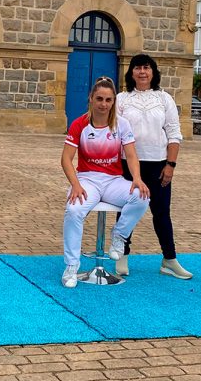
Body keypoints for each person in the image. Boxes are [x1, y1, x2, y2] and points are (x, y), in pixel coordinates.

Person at [61, 76, 150, 288]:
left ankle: (119, 235)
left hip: (113, 181)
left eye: (108, 100)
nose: (103, 104)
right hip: (87, 180)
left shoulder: (122, 124)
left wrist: (137, 178)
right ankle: (71, 266)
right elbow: (66, 159)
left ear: (113, 102)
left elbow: (131, 155)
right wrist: (75, 185)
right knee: (73, 211)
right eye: (99, 99)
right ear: (91, 98)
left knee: (141, 196)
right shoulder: (79, 124)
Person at [115, 54, 192, 280]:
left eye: (146, 68)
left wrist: (170, 165)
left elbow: (174, 134)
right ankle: (122, 254)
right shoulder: (121, 99)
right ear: (131, 72)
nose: (142, 72)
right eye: (137, 68)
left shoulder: (164, 98)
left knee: (161, 213)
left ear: (153, 72)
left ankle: (169, 259)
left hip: (158, 164)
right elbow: (115, 133)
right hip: (128, 163)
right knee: (125, 211)